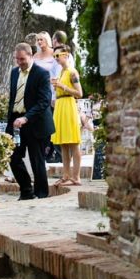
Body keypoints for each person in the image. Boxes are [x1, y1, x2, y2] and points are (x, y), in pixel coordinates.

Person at [6, 42, 55, 200]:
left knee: (37, 160)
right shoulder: (14, 73)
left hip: (36, 123)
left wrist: (26, 117)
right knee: (12, 156)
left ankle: (41, 194)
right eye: (17, 59)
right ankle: (26, 190)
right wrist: (12, 120)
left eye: (22, 59)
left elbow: (44, 101)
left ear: (30, 55)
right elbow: (14, 99)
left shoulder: (41, 73)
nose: (19, 62)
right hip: (16, 123)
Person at [51, 46, 84, 185]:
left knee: (73, 143)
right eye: (54, 56)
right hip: (60, 105)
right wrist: (56, 86)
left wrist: (62, 87)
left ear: (66, 55)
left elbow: (80, 93)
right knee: (63, 143)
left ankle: (76, 177)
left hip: (69, 105)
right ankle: (66, 175)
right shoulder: (61, 71)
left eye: (58, 55)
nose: (56, 58)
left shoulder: (72, 72)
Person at [33, 30, 61, 163]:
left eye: (41, 39)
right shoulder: (35, 56)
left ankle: (54, 151)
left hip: (52, 92)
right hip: (39, 94)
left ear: (47, 41)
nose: (39, 42)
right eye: (37, 40)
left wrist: (55, 95)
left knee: (52, 123)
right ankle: (43, 152)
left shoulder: (54, 54)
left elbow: (58, 73)